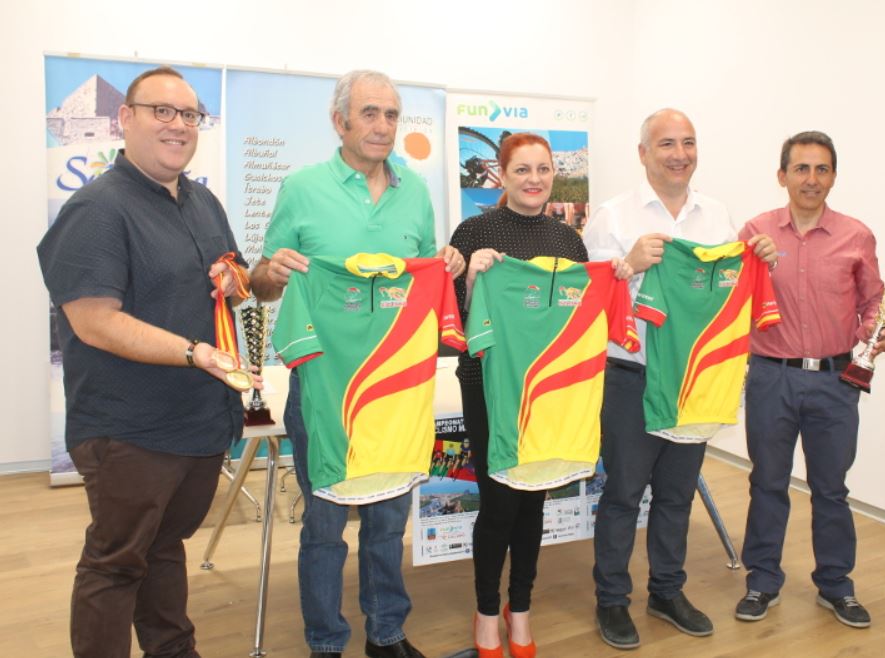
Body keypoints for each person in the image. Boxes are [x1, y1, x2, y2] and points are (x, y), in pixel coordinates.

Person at [37, 66, 256, 658]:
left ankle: (174, 650)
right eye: (162, 111)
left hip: (199, 420)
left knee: (163, 547)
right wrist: (193, 353)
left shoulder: (202, 201)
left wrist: (242, 278)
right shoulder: (96, 209)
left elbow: (231, 279)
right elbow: (94, 320)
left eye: (189, 115)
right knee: (115, 564)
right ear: (124, 119)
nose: (178, 125)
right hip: (130, 429)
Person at [250, 69, 465, 658]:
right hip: (324, 387)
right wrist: (272, 272)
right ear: (339, 120)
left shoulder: (414, 192)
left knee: (389, 520)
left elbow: (418, 277)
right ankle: (325, 642)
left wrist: (444, 262)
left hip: (395, 390)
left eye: (392, 115)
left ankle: (386, 633)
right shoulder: (302, 188)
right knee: (325, 526)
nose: (382, 126)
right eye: (370, 113)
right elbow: (260, 283)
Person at [583, 108, 778, 649]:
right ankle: (611, 600)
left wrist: (760, 258)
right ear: (643, 153)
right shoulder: (611, 216)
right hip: (633, 375)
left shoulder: (716, 216)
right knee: (623, 495)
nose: (680, 154)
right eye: (667, 143)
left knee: (676, 494)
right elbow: (590, 303)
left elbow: (729, 287)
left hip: (695, 378)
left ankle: (667, 591)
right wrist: (628, 265)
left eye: (688, 143)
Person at [450, 132, 633, 658]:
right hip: (489, 383)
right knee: (498, 501)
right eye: (522, 170)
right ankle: (488, 611)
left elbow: (583, 315)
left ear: (555, 174)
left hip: (552, 388)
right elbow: (454, 322)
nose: (534, 180)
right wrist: (472, 278)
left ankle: (521, 607)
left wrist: (618, 277)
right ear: (502, 175)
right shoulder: (474, 232)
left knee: (534, 498)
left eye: (543, 169)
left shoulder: (568, 241)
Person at [734, 131, 885, 629]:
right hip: (771, 377)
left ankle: (836, 585)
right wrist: (751, 267)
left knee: (831, 488)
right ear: (782, 176)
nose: (811, 179)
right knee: (767, 483)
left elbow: (873, 302)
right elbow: (732, 299)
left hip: (834, 382)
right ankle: (762, 580)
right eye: (801, 169)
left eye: (821, 169)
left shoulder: (856, 236)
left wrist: (876, 333)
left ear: (834, 177)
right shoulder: (756, 233)